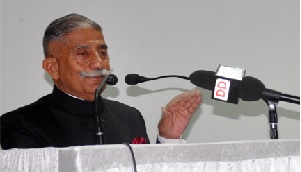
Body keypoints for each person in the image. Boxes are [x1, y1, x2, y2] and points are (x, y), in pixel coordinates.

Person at [0, 13, 202, 150]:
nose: (98, 63)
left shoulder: (129, 117)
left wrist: (168, 138)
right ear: (53, 67)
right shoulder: (21, 123)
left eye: (102, 52)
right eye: (82, 53)